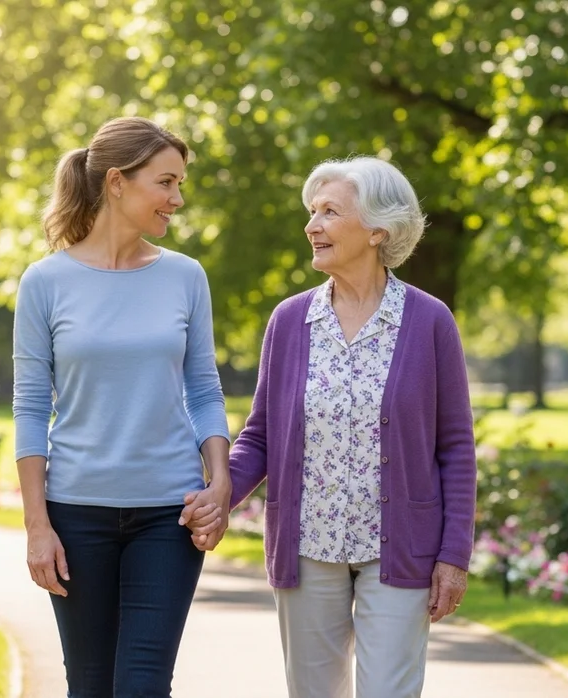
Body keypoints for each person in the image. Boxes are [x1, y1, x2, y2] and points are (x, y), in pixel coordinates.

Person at [183, 156, 477, 698]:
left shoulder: (430, 320)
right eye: (312, 212)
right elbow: (263, 434)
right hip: (307, 545)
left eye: (329, 213)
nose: (311, 226)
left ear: (376, 230)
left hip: (400, 549)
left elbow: (455, 447)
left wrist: (454, 555)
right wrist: (220, 494)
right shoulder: (291, 321)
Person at [12, 116, 231, 697]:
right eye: (166, 182)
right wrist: (38, 525)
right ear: (116, 182)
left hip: (169, 514)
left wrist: (221, 482)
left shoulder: (186, 276)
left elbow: (204, 391)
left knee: (141, 685)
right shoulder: (44, 282)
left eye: (179, 184)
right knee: (88, 686)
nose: (177, 199)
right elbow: (31, 408)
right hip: (75, 514)